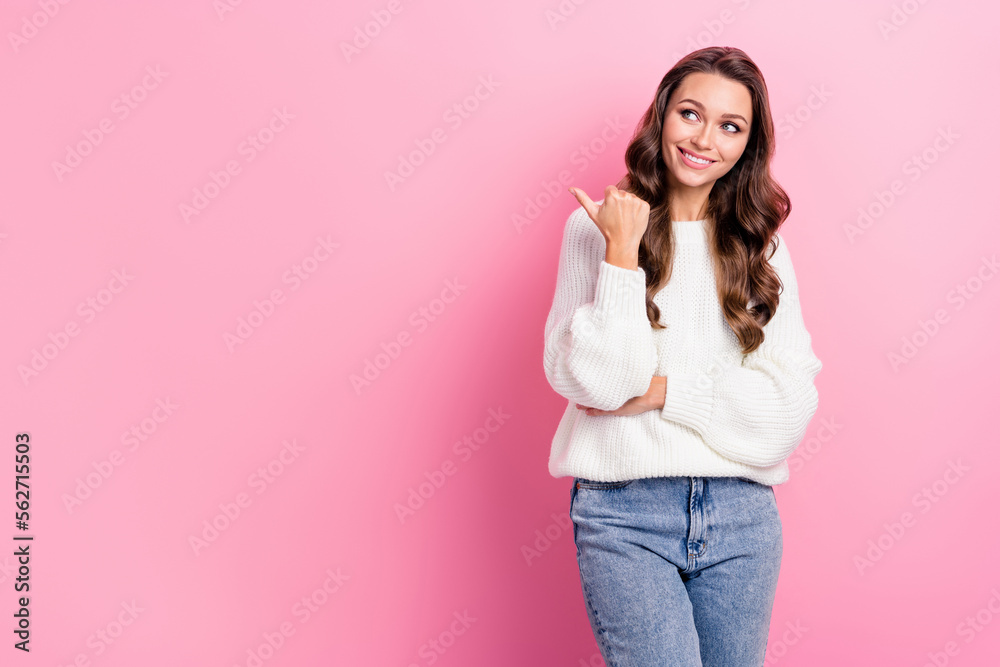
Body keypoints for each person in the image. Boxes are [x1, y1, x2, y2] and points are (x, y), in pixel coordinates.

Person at [542, 46, 823, 666]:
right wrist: (621, 252)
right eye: (690, 113)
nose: (704, 139)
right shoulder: (594, 229)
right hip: (624, 512)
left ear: (748, 145)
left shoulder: (761, 250)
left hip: (743, 519)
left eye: (731, 126)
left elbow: (786, 414)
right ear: (662, 115)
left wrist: (667, 390)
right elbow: (599, 383)